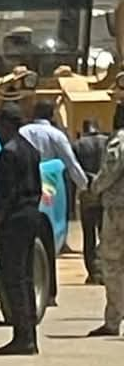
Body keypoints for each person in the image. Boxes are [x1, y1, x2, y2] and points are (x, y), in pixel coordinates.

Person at [0, 103, 42, 355]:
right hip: (31, 215)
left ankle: (22, 336)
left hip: (14, 220)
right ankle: (29, 335)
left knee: (13, 279)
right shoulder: (30, 149)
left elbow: (4, 200)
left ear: (5, 124)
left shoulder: (8, 153)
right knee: (25, 277)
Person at [20, 100, 86, 302]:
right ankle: (50, 293)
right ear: (52, 115)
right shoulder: (56, 135)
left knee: (26, 243)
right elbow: (71, 163)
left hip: (24, 189)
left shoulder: (22, 132)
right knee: (48, 243)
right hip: (51, 191)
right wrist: (85, 186)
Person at [87, 103, 124, 337]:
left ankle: (113, 319)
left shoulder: (119, 140)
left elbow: (110, 171)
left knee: (112, 263)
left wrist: (94, 187)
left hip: (119, 210)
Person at [74, 119, 108, 284]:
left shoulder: (78, 144)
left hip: (87, 192)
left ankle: (92, 273)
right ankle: (105, 270)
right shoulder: (107, 142)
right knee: (105, 234)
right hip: (105, 191)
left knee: (89, 236)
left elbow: (74, 169)